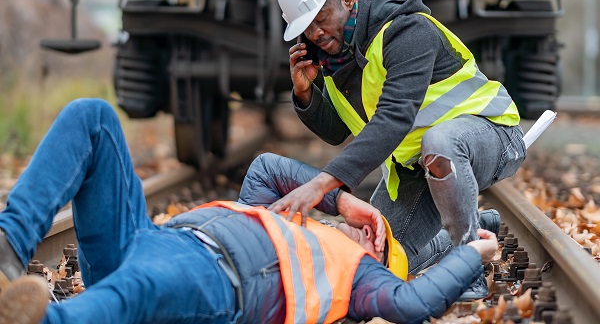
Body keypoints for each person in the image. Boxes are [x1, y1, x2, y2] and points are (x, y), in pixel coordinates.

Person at [0, 98, 499, 324]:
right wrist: (342, 198)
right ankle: (6, 252)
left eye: (380, 245)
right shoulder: (289, 223)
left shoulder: (357, 282)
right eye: (372, 230)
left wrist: (476, 250)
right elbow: (265, 168)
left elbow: (414, 304)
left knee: (144, 285)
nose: (371, 235)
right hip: (146, 242)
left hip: (210, 283)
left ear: (377, 264)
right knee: (93, 118)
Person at [272, 0, 526, 299]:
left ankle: (469, 265)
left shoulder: (407, 29)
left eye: (321, 19)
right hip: (417, 169)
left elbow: (395, 116)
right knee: (375, 259)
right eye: (306, 29)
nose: (315, 34)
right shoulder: (336, 57)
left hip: (491, 136)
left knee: (440, 141)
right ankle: (479, 227)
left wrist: (320, 185)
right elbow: (336, 132)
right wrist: (305, 94)